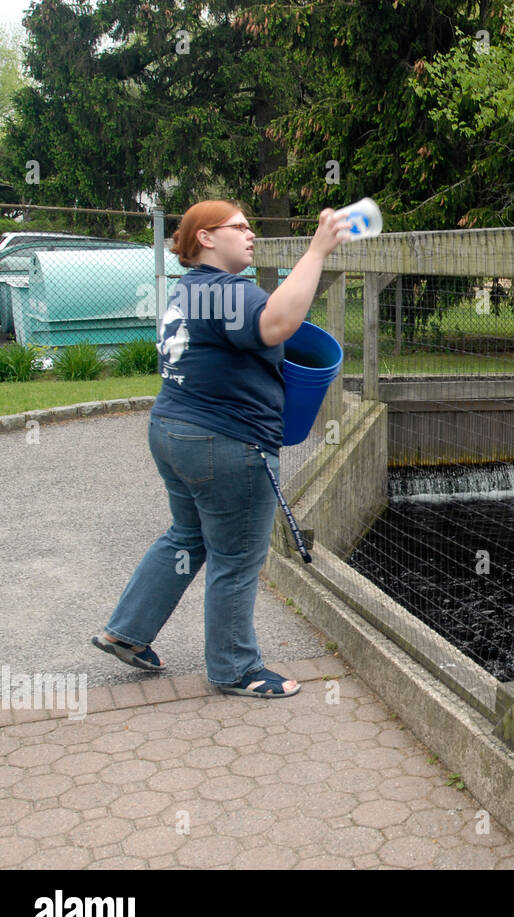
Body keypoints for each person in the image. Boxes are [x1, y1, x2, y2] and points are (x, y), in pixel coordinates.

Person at [91, 200, 352, 697]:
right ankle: (235, 668)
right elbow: (275, 325)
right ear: (205, 238)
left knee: (186, 536)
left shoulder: (187, 290)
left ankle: (125, 632)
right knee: (235, 556)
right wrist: (318, 249)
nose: (250, 234)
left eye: (251, 225)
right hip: (226, 441)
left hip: (172, 429)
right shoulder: (227, 291)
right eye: (238, 227)